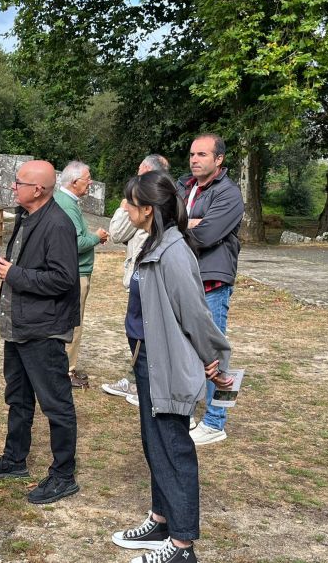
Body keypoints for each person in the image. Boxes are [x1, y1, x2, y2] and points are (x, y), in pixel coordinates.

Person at [110, 170, 233, 563]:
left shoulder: (175, 251)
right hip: (148, 360)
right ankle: (162, 520)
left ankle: (182, 546)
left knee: (173, 447)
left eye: (130, 203)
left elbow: (196, 314)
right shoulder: (154, 241)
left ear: (147, 210)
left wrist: (215, 359)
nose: (125, 208)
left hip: (166, 365)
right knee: (155, 444)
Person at [0, 160, 81, 505]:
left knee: (56, 404)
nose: (14, 187)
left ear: (38, 189)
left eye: (18, 183)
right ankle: (15, 459)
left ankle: (63, 475)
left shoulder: (57, 223)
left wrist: (13, 274)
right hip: (18, 326)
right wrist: (7, 271)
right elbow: (25, 267)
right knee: (19, 398)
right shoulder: (27, 216)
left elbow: (62, 279)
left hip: (42, 330)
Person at [177, 134, 244, 446]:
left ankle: (216, 422)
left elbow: (206, 235)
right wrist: (191, 222)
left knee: (215, 353)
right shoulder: (185, 186)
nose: (194, 159)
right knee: (186, 350)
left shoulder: (229, 194)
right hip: (184, 279)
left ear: (219, 160)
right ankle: (188, 412)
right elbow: (160, 222)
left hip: (212, 282)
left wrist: (183, 224)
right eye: (192, 154)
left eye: (202, 154)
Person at [101, 154, 170, 406]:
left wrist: (123, 205)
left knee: (142, 329)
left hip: (145, 272)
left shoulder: (145, 202)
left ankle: (143, 383)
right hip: (142, 271)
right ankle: (137, 380)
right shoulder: (166, 197)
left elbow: (117, 232)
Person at [54, 161, 108, 389]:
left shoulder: (64, 200)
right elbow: (75, 243)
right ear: (75, 182)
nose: (91, 182)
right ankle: (67, 370)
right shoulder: (67, 204)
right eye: (88, 179)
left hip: (73, 272)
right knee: (74, 324)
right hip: (76, 273)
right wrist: (97, 236)